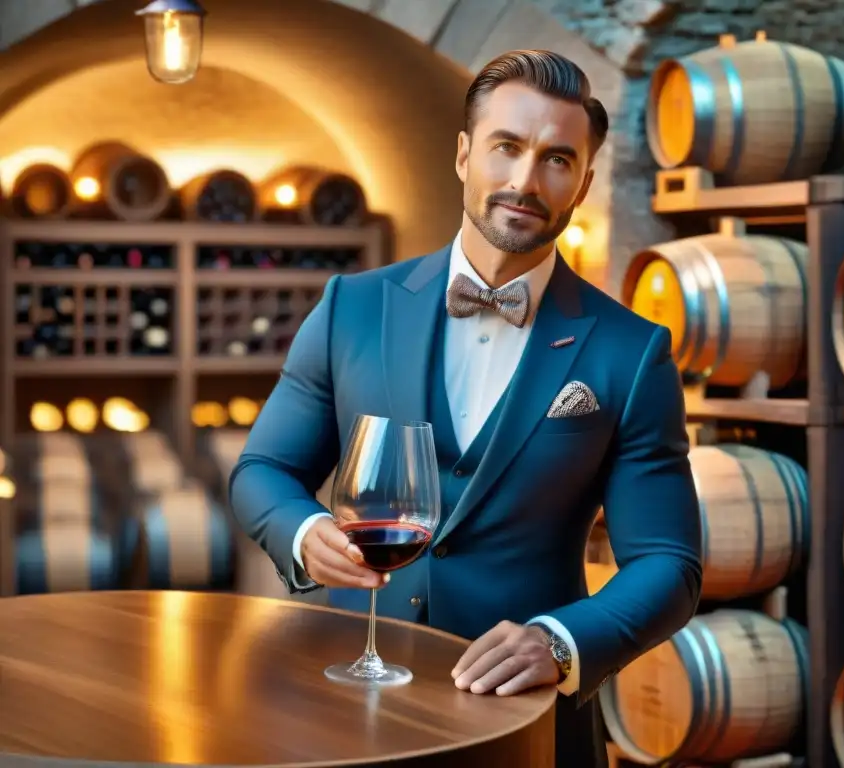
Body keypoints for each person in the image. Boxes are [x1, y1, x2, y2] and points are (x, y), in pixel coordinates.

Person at [229, 49, 703, 768]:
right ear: (463, 155)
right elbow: (262, 469)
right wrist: (304, 534)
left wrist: (558, 641)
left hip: (527, 723)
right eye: (506, 148)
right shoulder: (351, 309)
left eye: (556, 159)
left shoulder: (631, 353)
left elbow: (668, 564)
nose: (524, 180)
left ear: (583, 183)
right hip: (344, 703)